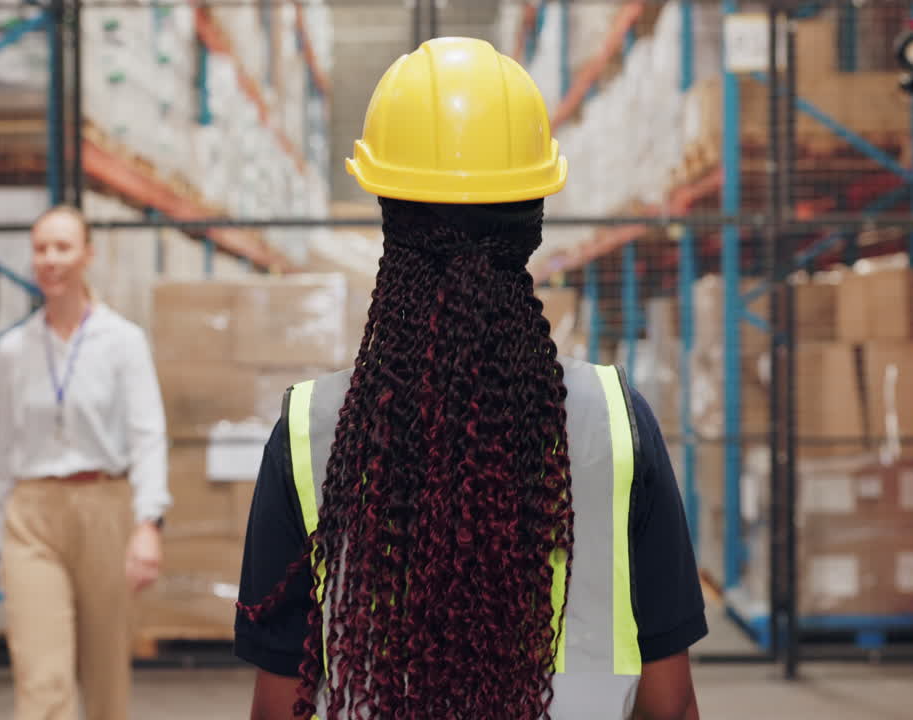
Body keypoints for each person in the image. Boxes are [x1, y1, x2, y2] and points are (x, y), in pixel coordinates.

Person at [235, 37, 706, 720]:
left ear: (388, 220)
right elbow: (672, 704)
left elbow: (280, 706)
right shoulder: (614, 422)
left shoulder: (312, 432)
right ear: (533, 223)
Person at [0, 205, 170, 720]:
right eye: (41, 248)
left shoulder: (123, 341)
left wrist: (148, 521)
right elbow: (6, 442)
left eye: (62, 247)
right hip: (31, 516)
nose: (50, 259)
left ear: (87, 255)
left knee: (105, 679)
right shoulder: (14, 349)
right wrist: (2, 513)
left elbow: (148, 433)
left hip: (105, 508)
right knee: (41, 678)